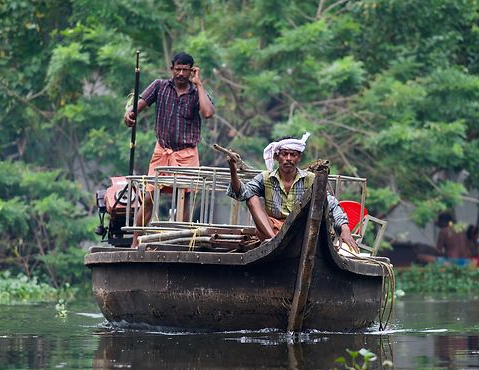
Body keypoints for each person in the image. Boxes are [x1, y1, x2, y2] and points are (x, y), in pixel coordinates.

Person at [225, 133, 360, 252]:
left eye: (293, 154)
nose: (288, 158)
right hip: (271, 231)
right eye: (284, 154)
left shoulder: (310, 179)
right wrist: (233, 168)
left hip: (299, 232)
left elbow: (331, 204)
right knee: (252, 199)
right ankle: (275, 242)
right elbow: (241, 193)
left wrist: (345, 228)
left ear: (299, 157)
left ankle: (279, 243)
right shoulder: (265, 177)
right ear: (277, 157)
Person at [124, 52, 215, 225]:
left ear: (191, 71)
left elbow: (208, 113)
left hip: (186, 154)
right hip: (162, 150)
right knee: (149, 196)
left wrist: (199, 84)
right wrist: (129, 114)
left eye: (185, 70)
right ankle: (136, 241)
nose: (181, 74)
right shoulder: (160, 86)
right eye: (178, 69)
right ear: (172, 69)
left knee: (185, 198)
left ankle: (181, 239)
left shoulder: (197, 92)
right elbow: (137, 106)